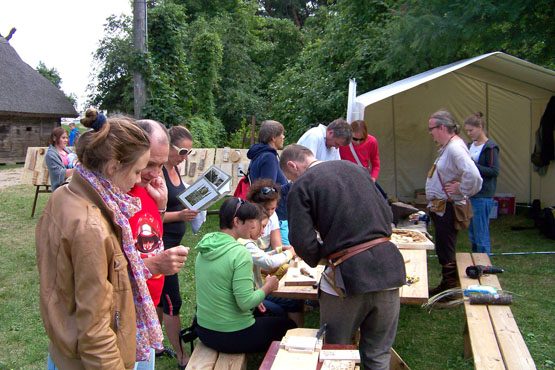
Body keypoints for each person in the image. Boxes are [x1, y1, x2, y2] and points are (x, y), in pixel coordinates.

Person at [36, 114, 162, 369]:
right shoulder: (91, 226)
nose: (139, 180)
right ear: (113, 166)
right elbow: (95, 331)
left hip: (64, 351)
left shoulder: (64, 195)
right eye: (137, 170)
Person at [279, 143, 406, 370]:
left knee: (335, 353)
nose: (291, 182)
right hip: (389, 269)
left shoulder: (303, 185)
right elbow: (387, 214)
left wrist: (326, 256)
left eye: (290, 177)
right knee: (378, 354)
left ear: (292, 165)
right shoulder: (355, 168)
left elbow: (301, 240)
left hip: (348, 276)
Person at [194, 197, 296, 353]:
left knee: (268, 312)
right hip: (232, 334)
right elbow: (246, 303)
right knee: (290, 327)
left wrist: (257, 296)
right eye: (251, 221)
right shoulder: (240, 253)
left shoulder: (206, 247)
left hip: (204, 330)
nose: (255, 225)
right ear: (237, 221)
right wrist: (268, 287)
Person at [129, 118, 191, 370]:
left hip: (146, 301)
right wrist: (154, 264)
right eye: (150, 164)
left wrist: (162, 206)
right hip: (126, 311)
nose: (156, 172)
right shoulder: (118, 194)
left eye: (160, 164)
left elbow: (150, 230)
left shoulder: (149, 187)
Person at [426, 110, 482, 296]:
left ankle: (451, 289)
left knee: (446, 247)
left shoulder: (454, 147)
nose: (430, 133)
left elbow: (473, 175)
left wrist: (462, 189)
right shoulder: (449, 146)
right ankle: (447, 284)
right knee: (443, 246)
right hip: (442, 207)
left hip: (448, 207)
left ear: (442, 128)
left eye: (431, 129)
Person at [159, 125, 199, 369]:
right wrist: (180, 215)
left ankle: (153, 345)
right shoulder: (157, 173)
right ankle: (182, 356)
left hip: (173, 242)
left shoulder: (174, 168)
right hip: (161, 245)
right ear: (168, 147)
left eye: (189, 153)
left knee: (158, 299)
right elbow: (151, 216)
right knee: (173, 300)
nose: (185, 157)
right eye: (182, 151)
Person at [237, 204, 303, 326]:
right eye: (262, 227)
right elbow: (269, 263)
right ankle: (294, 332)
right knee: (292, 301)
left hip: (253, 294)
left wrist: (280, 250)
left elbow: (262, 256)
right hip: (253, 295)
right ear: (252, 223)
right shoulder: (246, 244)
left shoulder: (246, 242)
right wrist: (289, 253)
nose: (263, 232)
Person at [247, 120, 292, 246]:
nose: (283, 137)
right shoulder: (268, 157)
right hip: (274, 214)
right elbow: (268, 190)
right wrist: (292, 184)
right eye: (281, 134)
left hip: (267, 212)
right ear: (273, 137)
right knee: (282, 253)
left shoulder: (260, 154)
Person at [464, 112, 500, 256]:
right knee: (472, 232)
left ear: (480, 127)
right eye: (467, 130)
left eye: (471, 130)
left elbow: (494, 171)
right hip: (470, 193)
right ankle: (476, 260)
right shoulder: (469, 145)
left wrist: (473, 165)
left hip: (483, 195)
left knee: (481, 232)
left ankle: (485, 262)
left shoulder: (490, 147)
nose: (468, 133)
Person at [45, 127, 75, 192]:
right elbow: (60, 173)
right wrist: (79, 170)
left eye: (67, 138)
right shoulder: (51, 155)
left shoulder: (68, 151)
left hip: (74, 186)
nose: (66, 140)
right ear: (54, 138)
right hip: (61, 190)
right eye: (63, 138)